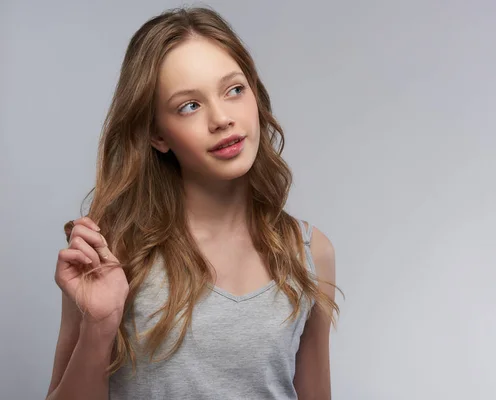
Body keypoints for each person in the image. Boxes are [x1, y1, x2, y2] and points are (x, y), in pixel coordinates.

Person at [45, 6, 340, 400]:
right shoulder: (112, 250)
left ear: (255, 95)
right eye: (190, 105)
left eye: (234, 90)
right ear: (157, 135)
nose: (222, 119)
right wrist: (99, 326)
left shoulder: (308, 251)